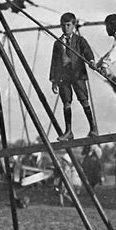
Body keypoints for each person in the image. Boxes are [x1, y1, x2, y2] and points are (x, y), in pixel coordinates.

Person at [49, 12, 97, 141]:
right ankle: (68, 131)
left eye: (68, 25)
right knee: (66, 103)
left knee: (84, 100)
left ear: (74, 25)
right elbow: (54, 62)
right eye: (63, 25)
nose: (66, 28)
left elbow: (87, 52)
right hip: (63, 76)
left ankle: (93, 128)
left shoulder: (80, 40)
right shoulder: (58, 43)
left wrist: (91, 61)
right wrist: (53, 80)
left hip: (77, 74)